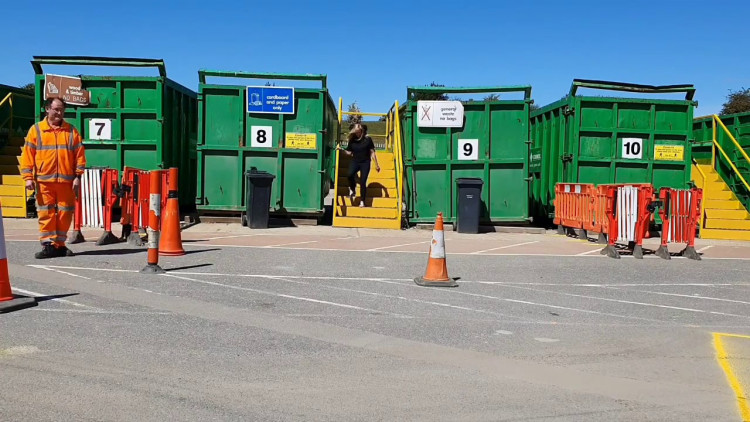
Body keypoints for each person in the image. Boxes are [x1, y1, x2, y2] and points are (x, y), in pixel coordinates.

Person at [20, 97, 86, 259]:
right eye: (56, 109)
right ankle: (48, 245)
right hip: (44, 181)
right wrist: (28, 178)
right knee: (46, 214)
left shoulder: (71, 131)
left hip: (67, 182)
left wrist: (77, 176)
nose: (59, 113)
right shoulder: (36, 130)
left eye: (62, 110)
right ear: (47, 109)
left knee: (65, 214)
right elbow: (27, 156)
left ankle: (60, 245)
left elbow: (79, 155)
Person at [338, 124, 379, 207]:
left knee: (363, 182)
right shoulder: (352, 140)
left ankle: (362, 201)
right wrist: (341, 150)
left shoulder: (367, 139)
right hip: (355, 161)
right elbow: (349, 153)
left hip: (365, 162)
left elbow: (372, 152)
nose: (357, 133)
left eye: (358, 132)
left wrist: (376, 164)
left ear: (361, 131)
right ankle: (353, 189)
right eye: (355, 132)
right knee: (350, 174)